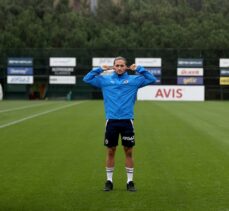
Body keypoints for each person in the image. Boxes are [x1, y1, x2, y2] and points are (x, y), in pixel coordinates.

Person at [83, 56, 157, 192]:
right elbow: (86, 78)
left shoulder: (134, 80)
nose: (119, 68)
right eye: (117, 65)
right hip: (111, 121)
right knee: (111, 150)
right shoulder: (105, 80)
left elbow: (152, 79)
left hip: (127, 120)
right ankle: (109, 181)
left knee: (128, 151)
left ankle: (130, 182)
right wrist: (99, 69)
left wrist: (139, 69)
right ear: (113, 66)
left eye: (122, 65)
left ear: (126, 66)